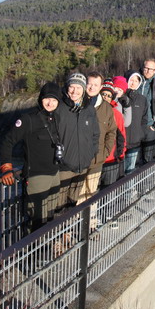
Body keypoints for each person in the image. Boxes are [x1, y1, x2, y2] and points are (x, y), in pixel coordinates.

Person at [0, 82, 63, 234]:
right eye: (47, 99)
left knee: (50, 216)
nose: (50, 103)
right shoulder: (28, 120)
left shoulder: (56, 118)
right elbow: (7, 142)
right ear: (41, 99)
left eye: (54, 100)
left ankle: (47, 247)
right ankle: (33, 254)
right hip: (36, 177)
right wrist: (6, 167)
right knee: (36, 220)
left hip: (54, 174)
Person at [56, 72, 100, 210]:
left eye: (79, 88)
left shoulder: (89, 109)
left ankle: (68, 230)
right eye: (72, 87)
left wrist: (90, 154)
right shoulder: (59, 108)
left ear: (83, 90)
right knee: (59, 203)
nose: (75, 91)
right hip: (63, 166)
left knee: (73, 202)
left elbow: (95, 134)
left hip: (82, 165)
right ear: (67, 87)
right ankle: (60, 231)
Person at [74, 72, 117, 204]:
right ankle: (78, 222)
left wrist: (105, 152)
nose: (92, 87)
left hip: (97, 158)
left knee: (91, 192)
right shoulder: (76, 104)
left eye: (95, 85)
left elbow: (111, 132)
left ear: (100, 87)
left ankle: (91, 222)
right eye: (89, 84)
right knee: (77, 193)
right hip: (77, 158)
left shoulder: (106, 108)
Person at [99, 80, 127, 187]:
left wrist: (121, 154)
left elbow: (122, 136)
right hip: (95, 160)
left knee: (108, 189)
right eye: (103, 94)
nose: (105, 97)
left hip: (111, 158)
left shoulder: (116, 114)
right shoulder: (92, 111)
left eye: (109, 95)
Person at [118, 73, 147, 173]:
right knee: (118, 170)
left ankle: (129, 189)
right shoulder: (120, 96)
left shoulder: (142, 99)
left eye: (136, 81)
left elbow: (144, 118)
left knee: (130, 170)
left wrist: (141, 133)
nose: (133, 83)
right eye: (131, 80)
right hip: (120, 140)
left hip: (135, 141)